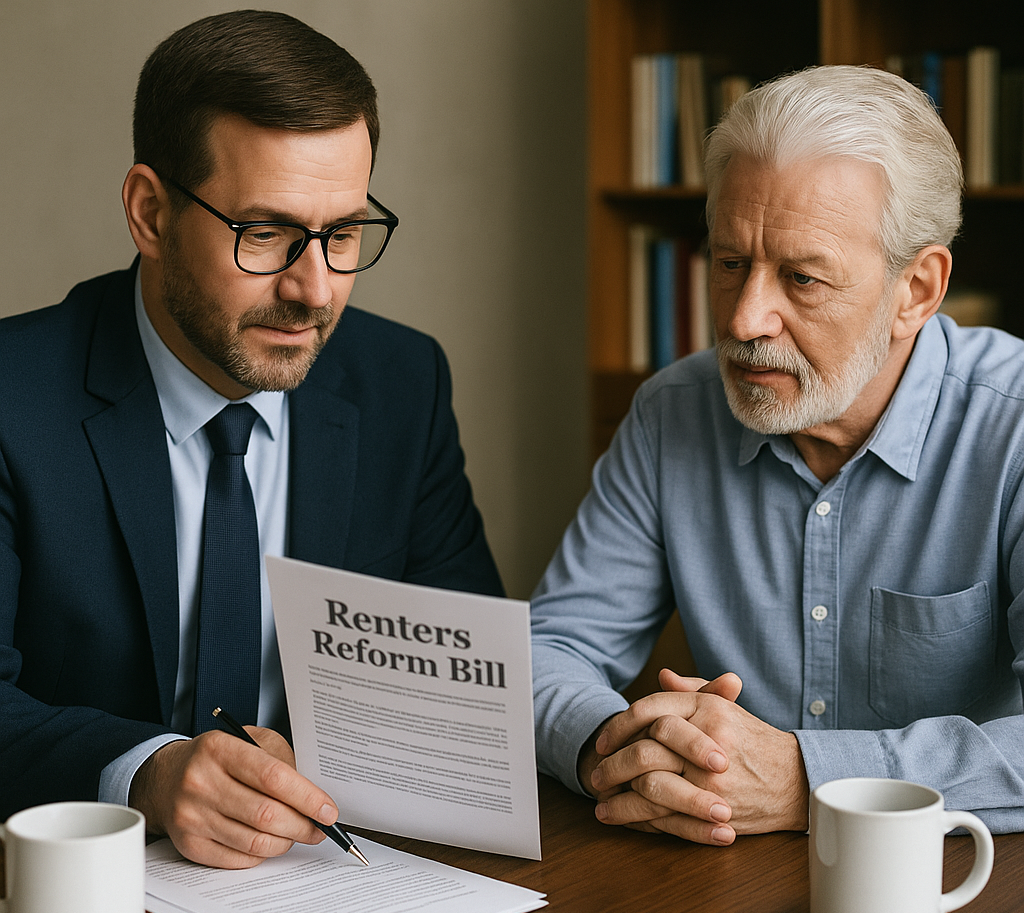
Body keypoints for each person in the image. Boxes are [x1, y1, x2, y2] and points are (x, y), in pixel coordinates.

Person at [0, 10, 503, 867]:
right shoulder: (13, 397)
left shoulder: (402, 383)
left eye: (343, 235)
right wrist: (149, 773)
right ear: (151, 213)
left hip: (328, 876)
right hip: (78, 882)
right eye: (264, 233)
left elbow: (460, 683)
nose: (314, 290)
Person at [532, 64, 1024, 846]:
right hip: (712, 867)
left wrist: (808, 780)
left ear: (917, 291)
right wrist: (613, 749)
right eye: (730, 264)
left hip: (958, 890)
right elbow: (552, 648)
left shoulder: (1014, 428)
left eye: (802, 277)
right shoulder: (673, 411)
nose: (748, 318)